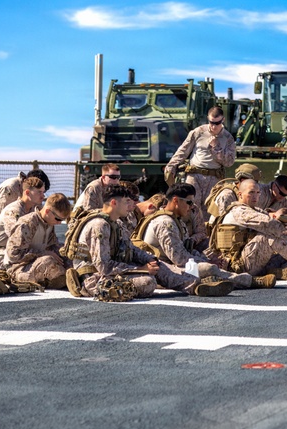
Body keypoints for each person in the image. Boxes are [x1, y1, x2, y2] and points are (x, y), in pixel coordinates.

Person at [65, 184, 234, 299]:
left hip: (113, 270)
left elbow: (131, 248)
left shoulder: (115, 223)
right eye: (126, 202)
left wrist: (150, 260)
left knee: (157, 265)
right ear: (114, 203)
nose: (130, 206)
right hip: (93, 278)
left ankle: (197, 286)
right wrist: (140, 269)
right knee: (147, 282)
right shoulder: (99, 226)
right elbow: (104, 266)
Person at [133, 183, 252, 289]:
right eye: (189, 202)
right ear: (175, 200)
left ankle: (230, 280)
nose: (191, 206)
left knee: (209, 265)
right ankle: (246, 281)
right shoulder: (165, 222)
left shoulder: (176, 220)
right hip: (161, 267)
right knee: (207, 269)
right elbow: (179, 258)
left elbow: (186, 249)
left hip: (171, 264)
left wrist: (207, 259)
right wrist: (206, 263)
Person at [213, 179, 287, 281]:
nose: (255, 196)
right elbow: (270, 224)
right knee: (271, 238)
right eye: (251, 192)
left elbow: (278, 219)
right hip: (239, 264)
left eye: (258, 193)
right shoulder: (240, 211)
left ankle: (276, 271)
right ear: (240, 194)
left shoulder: (254, 209)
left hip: (252, 258)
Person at [165, 106, 237, 221]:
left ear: (222, 120)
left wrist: (216, 148)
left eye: (217, 123)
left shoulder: (228, 138)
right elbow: (183, 150)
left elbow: (229, 162)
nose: (213, 126)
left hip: (214, 177)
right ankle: (186, 233)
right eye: (211, 122)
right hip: (194, 174)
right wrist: (171, 165)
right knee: (189, 205)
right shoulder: (198, 132)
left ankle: (205, 235)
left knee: (209, 209)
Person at [5, 193, 72, 289]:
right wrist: (42, 253)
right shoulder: (27, 223)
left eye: (62, 220)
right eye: (58, 218)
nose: (59, 222)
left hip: (36, 263)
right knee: (48, 261)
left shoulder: (49, 223)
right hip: (18, 268)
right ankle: (63, 279)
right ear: (48, 211)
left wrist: (67, 252)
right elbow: (14, 255)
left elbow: (53, 245)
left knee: (69, 256)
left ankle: (67, 277)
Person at [0, 176, 47, 270]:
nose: (43, 196)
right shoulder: (13, 211)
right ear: (27, 193)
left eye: (43, 192)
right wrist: (42, 253)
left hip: (21, 251)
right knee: (42, 264)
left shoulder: (33, 209)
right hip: (2, 255)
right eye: (39, 192)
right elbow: (16, 242)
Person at [0, 169, 50, 238]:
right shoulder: (11, 187)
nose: (42, 195)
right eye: (40, 191)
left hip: (9, 220)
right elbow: (7, 217)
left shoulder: (32, 193)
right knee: (18, 232)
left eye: (43, 192)